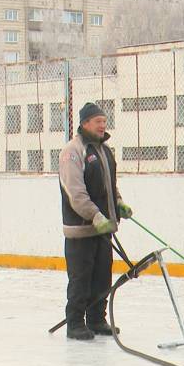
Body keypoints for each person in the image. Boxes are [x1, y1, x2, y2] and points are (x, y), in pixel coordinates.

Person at [58, 102, 133, 340]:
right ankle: (75, 323)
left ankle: (97, 319)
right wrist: (95, 215)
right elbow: (75, 192)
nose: (103, 125)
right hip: (81, 229)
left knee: (102, 276)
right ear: (85, 123)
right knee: (81, 278)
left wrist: (118, 203)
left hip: (103, 228)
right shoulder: (73, 151)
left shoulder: (103, 150)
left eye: (104, 121)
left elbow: (109, 186)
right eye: (98, 121)